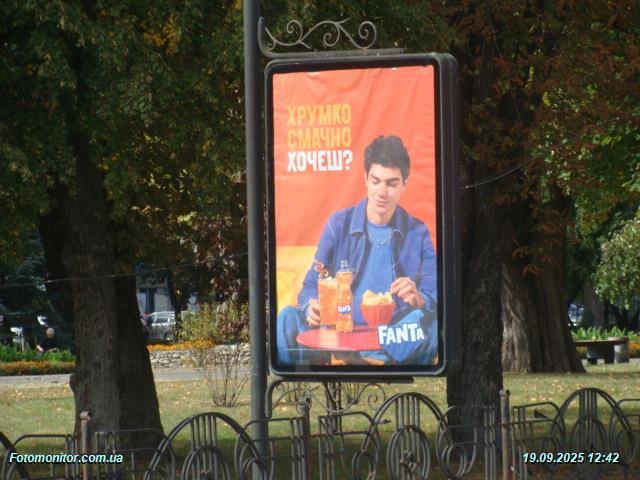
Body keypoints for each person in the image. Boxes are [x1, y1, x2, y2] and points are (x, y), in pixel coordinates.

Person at [276, 135, 437, 366]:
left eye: (392, 183)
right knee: (286, 318)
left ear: (405, 184)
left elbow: (433, 294)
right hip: (340, 330)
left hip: (392, 335)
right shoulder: (339, 224)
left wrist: (420, 299)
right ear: (365, 179)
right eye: (376, 181)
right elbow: (312, 283)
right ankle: (321, 371)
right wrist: (310, 304)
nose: (382, 192)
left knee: (430, 324)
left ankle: (373, 360)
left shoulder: (417, 232)